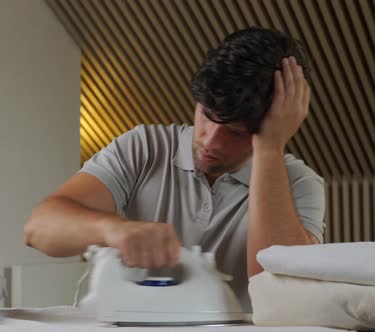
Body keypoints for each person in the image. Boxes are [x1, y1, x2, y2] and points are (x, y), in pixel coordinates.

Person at [23, 27, 325, 312]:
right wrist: (114, 230)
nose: (210, 140)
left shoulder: (299, 184)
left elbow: (277, 287)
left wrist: (270, 150)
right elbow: (38, 230)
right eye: (207, 116)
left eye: (235, 133)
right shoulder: (144, 148)